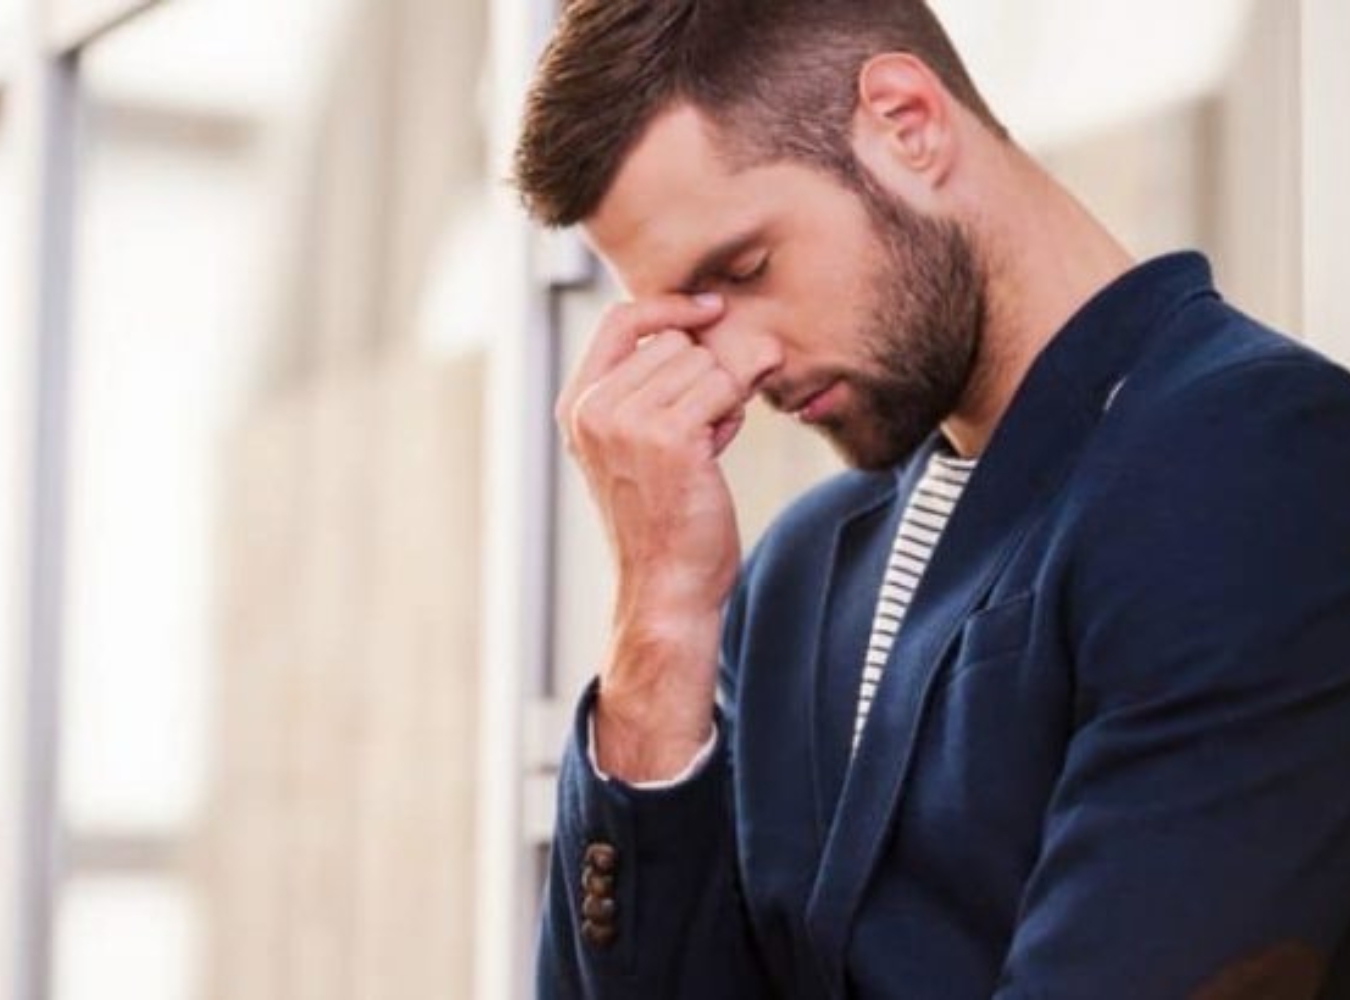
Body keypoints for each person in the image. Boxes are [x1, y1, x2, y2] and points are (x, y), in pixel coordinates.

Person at [510, 1, 1350, 997]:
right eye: (684, 323)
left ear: (906, 123)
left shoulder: (1253, 461)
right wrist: (657, 618)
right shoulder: (794, 575)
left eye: (744, 269)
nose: (735, 366)